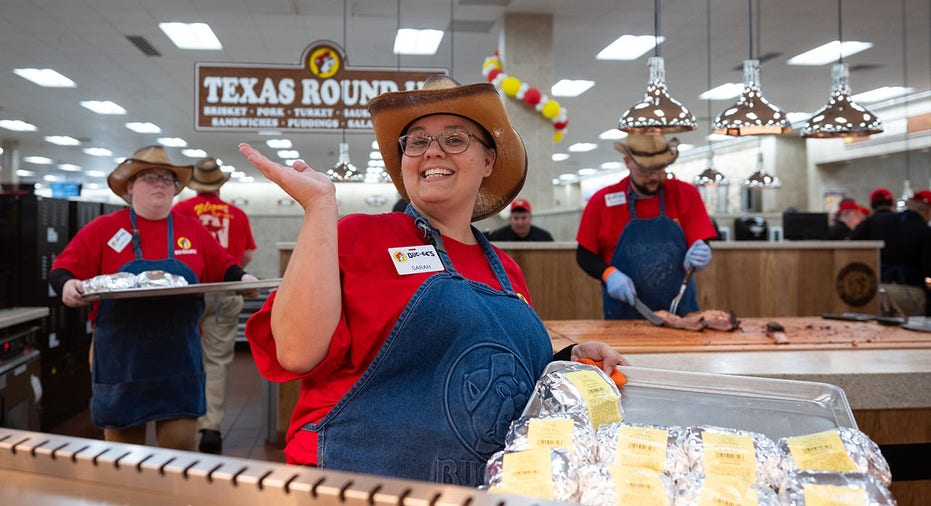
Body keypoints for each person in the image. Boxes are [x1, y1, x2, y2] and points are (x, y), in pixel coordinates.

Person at [239, 75, 628, 485]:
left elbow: (498, 380)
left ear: (489, 160)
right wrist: (319, 207)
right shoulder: (358, 236)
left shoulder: (506, 271)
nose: (433, 152)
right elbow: (297, 352)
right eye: (417, 140)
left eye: (455, 139)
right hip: (357, 488)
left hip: (478, 488)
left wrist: (565, 362)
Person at [49, 145, 258, 451]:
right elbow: (62, 269)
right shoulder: (104, 229)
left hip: (179, 361)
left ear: (175, 189)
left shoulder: (192, 229)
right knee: (123, 454)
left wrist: (243, 279)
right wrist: (68, 286)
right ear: (130, 186)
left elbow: (224, 265)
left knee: (180, 450)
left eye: (167, 179)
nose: (160, 184)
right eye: (150, 177)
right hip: (120, 360)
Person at [576, 134, 717, 319]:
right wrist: (609, 274)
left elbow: (701, 240)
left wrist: (700, 252)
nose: (654, 178)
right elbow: (585, 256)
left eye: (660, 169)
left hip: (681, 311)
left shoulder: (685, 194)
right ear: (627, 162)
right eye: (645, 171)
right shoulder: (601, 202)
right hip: (623, 313)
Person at [172, 157, 257, 454]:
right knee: (216, 361)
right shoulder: (236, 214)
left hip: (187, 293)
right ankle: (211, 427)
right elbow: (245, 256)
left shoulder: (180, 211)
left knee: (183, 357)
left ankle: (182, 420)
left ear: (194, 186)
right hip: (225, 291)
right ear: (220, 184)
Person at [853, 190, 931, 316]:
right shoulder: (925, 231)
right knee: (909, 334)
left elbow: (853, 245)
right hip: (909, 292)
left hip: (876, 290)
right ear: (928, 211)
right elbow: (928, 267)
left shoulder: (876, 221)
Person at [487, 198, 554, 241]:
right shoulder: (496, 237)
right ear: (510, 219)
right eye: (516, 218)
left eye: (524, 218)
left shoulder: (544, 237)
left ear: (530, 218)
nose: (520, 222)